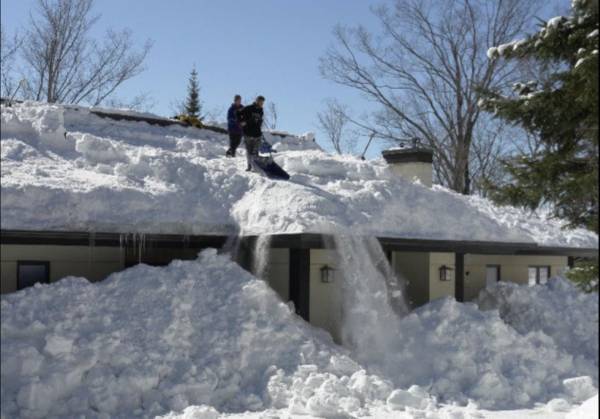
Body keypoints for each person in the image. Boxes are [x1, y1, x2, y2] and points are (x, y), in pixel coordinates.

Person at [239, 95, 265, 171]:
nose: (261, 104)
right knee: (249, 151)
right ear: (257, 101)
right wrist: (242, 122)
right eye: (260, 102)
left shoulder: (261, 110)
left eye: (262, 103)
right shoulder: (249, 108)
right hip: (248, 133)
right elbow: (239, 114)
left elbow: (259, 122)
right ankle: (249, 166)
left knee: (255, 152)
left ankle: (255, 166)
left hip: (257, 134)